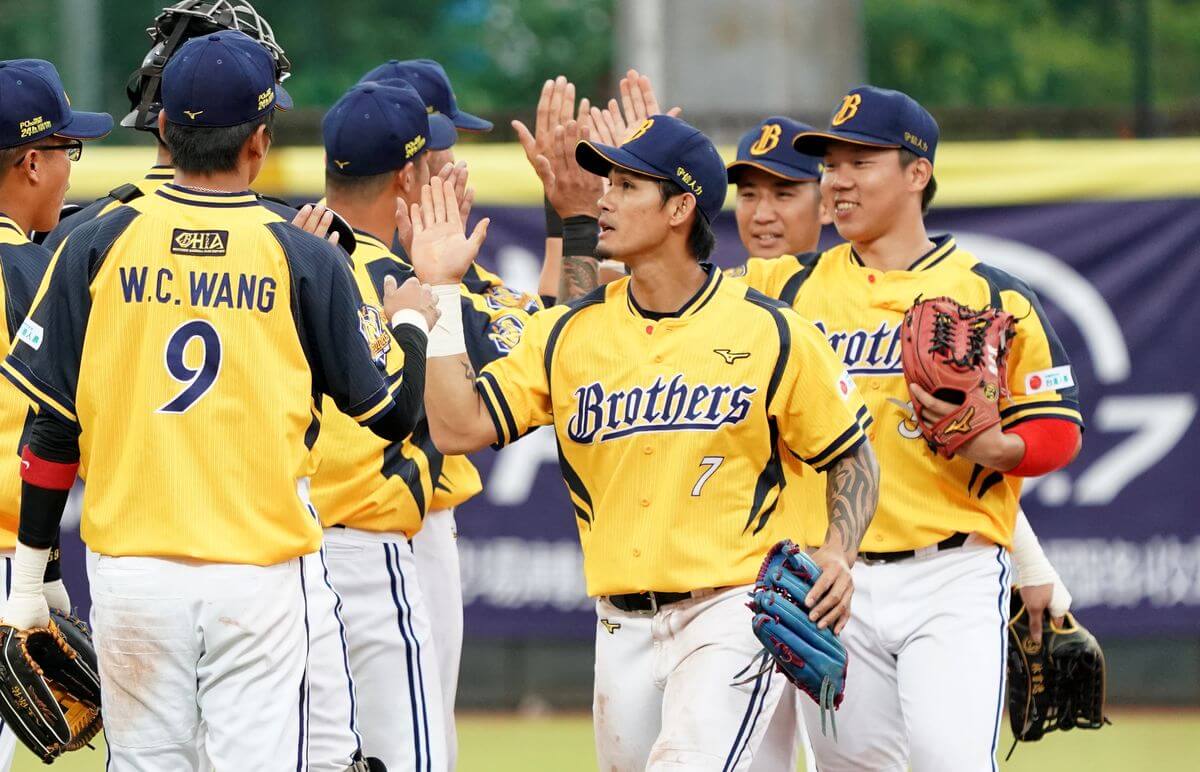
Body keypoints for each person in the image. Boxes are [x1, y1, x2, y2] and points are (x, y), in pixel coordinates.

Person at [0, 31, 431, 771]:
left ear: (164, 127)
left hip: (132, 576)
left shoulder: (94, 243)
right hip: (256, 581)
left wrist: (34, 574)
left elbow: (51, 428)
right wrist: (414, 324)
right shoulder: (303, 254)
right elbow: (394, 414)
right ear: (260, 141)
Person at [408, 115, 880, 770]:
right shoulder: (570, 331)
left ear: (680, 208)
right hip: (618, 626)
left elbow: (852, 454)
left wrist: (838, 551)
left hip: (731, 614)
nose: (604, 199)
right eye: (609, 183)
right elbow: (458, 427)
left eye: (628, 186)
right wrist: (438, 288)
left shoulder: (770, 331)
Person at [762, 85, 1081, 771]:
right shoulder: (784, 290)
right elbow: (658, 299)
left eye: (861, 162)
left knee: (950, 761)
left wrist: (997, 447)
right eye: (831, 165)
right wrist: (598, 206)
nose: (838, 181)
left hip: (950, 574)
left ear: (917, 173)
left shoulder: (991, 292)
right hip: (832, 577)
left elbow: (1058, 428)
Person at [312, 79, 537, 771]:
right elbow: (556, 342)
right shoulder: (420, 286)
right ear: (409, 175)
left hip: (275, 554)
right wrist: (573, 220)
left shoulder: (287, 254)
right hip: (371, 554)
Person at [0, 57, 111, 771]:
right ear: (33, 162)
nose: (72, 168)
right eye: (68, 148)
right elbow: (58, 425)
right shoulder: (27, 275)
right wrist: (37, 574)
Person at [726, 115, 826, 772]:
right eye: (749, 194)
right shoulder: (716, 300)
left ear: (828, 200)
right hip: (748, 580)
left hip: (847, 575)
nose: (763, 213)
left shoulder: (858, 303)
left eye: (785, 192)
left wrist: (1031, 568)